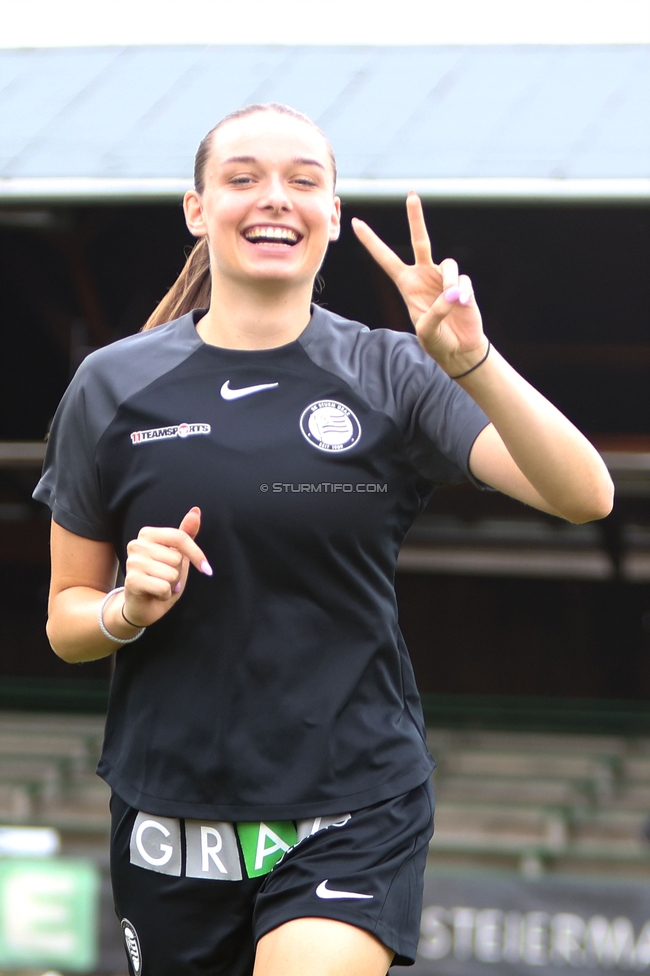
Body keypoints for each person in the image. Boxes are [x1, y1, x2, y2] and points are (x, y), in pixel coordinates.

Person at [34, 103, 614, 976]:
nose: (276, 199)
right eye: (244, 179)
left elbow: (584, 494)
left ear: (333, 215)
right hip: (170, 822)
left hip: (353, 804)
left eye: (304, 182)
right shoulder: (111, 386)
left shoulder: (393, 371)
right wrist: (126, 605)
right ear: (198, 209)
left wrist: (470, 359)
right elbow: (66, 619)